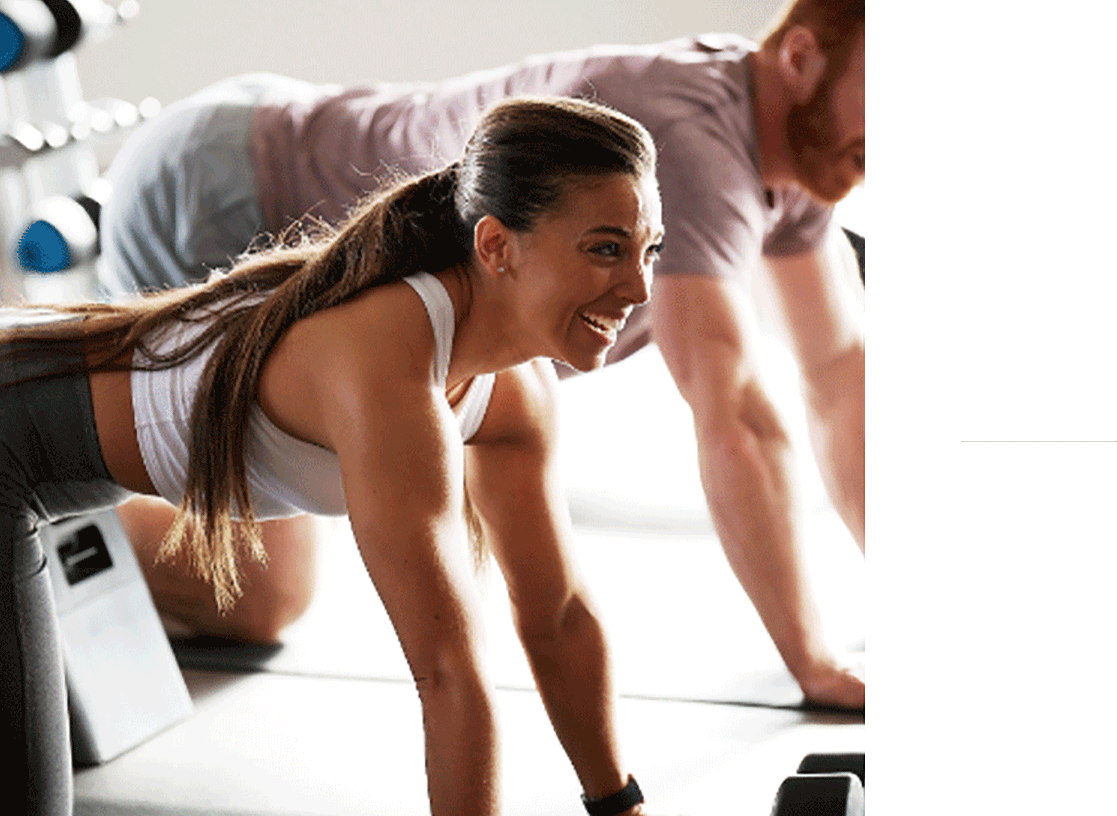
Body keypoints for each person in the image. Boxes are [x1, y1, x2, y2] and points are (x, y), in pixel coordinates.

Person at [99, 0, 865, 708]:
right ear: (800, 58)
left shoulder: (804, 159)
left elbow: (839, 376)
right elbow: (736, 415)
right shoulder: (691, 144)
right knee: (267, 592)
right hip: (227, 187)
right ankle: (69, 517)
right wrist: (814, 663)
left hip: (264, 147)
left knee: (349, 500)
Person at [2, 97, 663, 816]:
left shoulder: (516, 392)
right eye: (606, 249)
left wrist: (620, 806)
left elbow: (557, 618)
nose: (639, 288)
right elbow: (448, 674)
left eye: (649, 251)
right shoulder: (387, 359)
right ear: (497, 245)